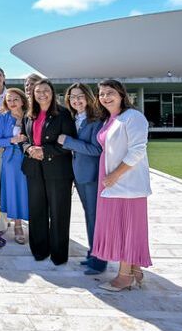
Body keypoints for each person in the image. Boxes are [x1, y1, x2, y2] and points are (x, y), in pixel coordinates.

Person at [92, 79, 152, 291]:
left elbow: (137, 150)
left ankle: (124, 276)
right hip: (110, 182)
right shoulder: (110, 119)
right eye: (101, 94)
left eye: (110, 93)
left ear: (121, 95)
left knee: (127, 228)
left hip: (126, 183)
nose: (105, 97)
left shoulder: (133, 117)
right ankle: (134, 268)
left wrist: (115, 175)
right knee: (117, 226)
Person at [20, 78, 76, 266]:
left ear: (52, 93)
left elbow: (68, 143)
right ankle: (39, 251)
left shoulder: (63, 114)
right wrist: (28, 149)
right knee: (37, 210)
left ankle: (59, 255)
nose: (42, 94)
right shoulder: (29, 115)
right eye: (38, 91)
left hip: (58, 170)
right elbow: (23, 139)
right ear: (33, 95)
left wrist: (45, 151)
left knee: (59, 212)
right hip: (33, 168)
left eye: (46, 91)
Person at [58, 83, 106, 275]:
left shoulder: (96, 121)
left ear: (88, 97)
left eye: (80, 96)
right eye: (72, 97)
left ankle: (100, 259)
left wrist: (68, 142)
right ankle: (93, 252)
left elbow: (96, 149)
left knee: (95, 216)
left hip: (91, 175)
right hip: (77, 174)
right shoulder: (74, 118)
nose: (76, 100)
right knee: (89, 215)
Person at [0, 88, 29, 244]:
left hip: (31, 158)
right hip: (11, 159)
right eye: (9, 100)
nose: (12, 103)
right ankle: (18, 225)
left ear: (22, 100)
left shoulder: (31, 115)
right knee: (15, 191)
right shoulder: (3, 118)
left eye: (15, 99)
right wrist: (12, 140)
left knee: (29, 191)